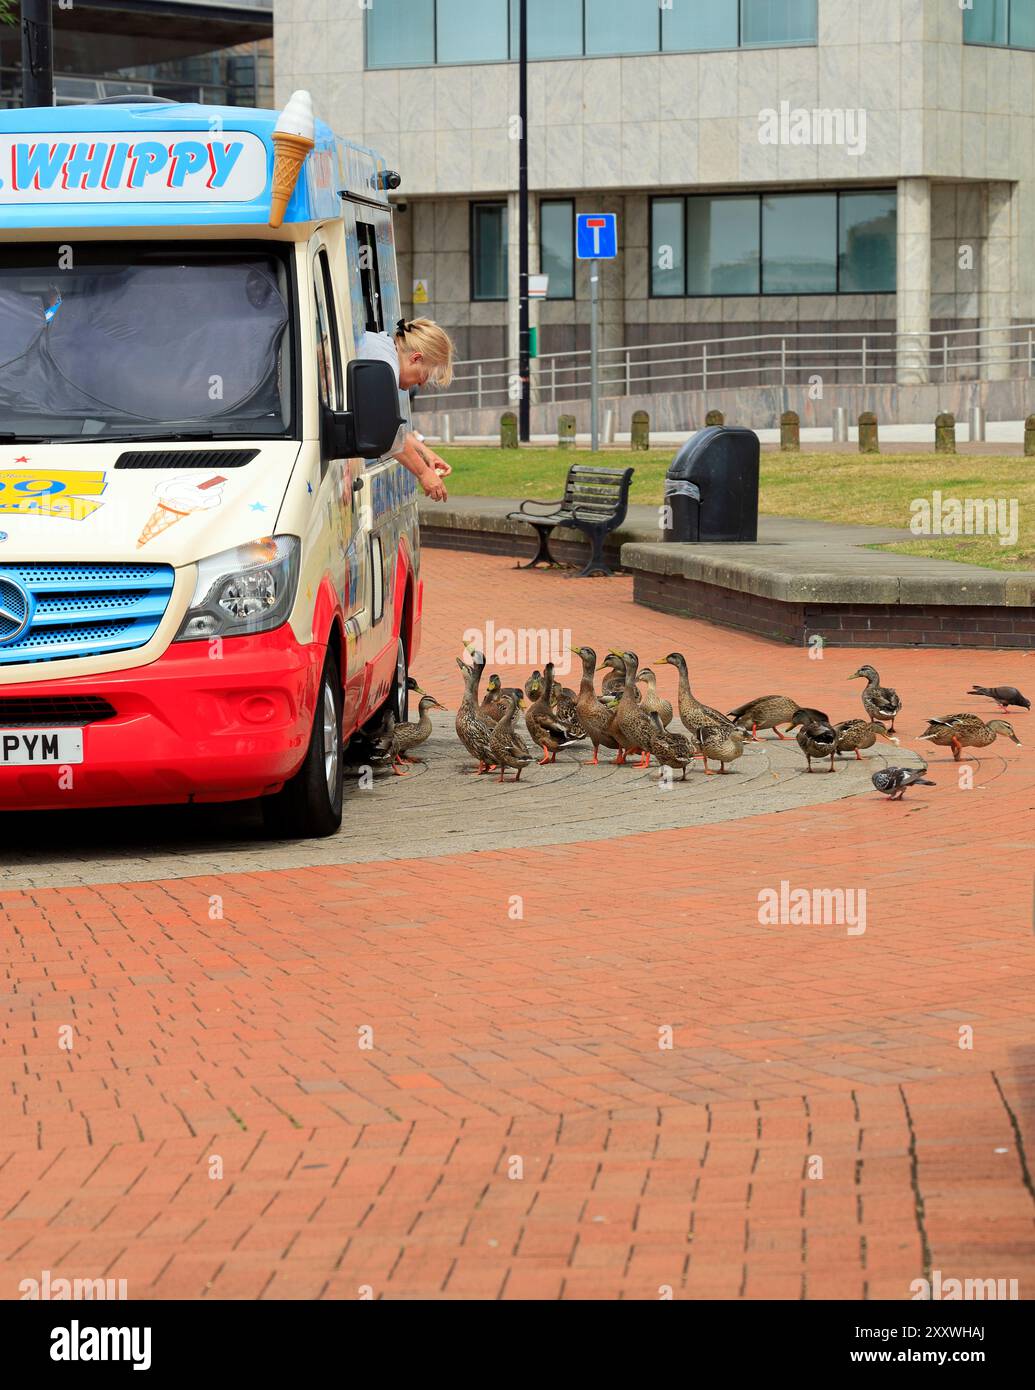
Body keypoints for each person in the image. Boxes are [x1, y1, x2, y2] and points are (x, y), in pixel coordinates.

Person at [356, 317, 455, 502]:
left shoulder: (382, 349)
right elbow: (383, 429)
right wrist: (424, 473)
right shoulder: (383, 365)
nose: (422, 383)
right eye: (424, 375)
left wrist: (424, 452)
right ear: (415, 358)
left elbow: (387, 424)